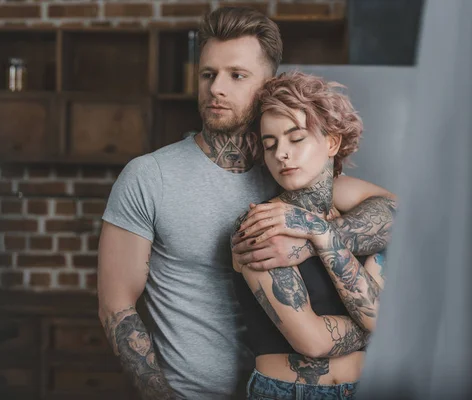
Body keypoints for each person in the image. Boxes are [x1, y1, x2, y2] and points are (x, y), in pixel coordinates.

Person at [97, 6, 397, 400]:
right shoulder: (149, 176)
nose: (216, 88)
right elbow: (117, 308)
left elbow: (393, 211)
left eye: (236, 75)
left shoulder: (288, 170)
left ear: (268, 83)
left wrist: (308, 241)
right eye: (208, 74)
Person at [231, 71, 390, 400]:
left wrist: (319, 234)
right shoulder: (261, 225)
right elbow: (314, 342)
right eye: (270, 144)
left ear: (331, 142)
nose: (281, 154)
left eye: (296, 138)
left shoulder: (362, 214)